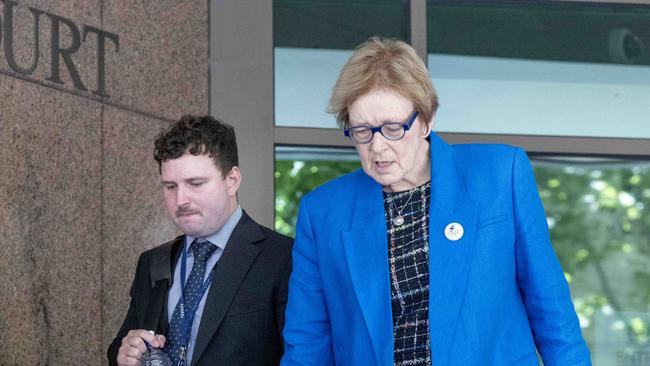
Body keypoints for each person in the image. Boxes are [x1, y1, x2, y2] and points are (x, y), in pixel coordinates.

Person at [281, 37, 591, 365]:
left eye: (392, 128)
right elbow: (307, 344)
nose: (377, 147)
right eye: (362, 131)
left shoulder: (500, 175)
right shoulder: (323, 212)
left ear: (427, 120)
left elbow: (553, 316)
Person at [108, 115, 292, 366]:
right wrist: (124, 353)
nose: (181, 199)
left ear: (232, 180)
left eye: (195, 183)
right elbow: (121, 346)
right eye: (170, 186)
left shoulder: (283, 258)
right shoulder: (152, 262)